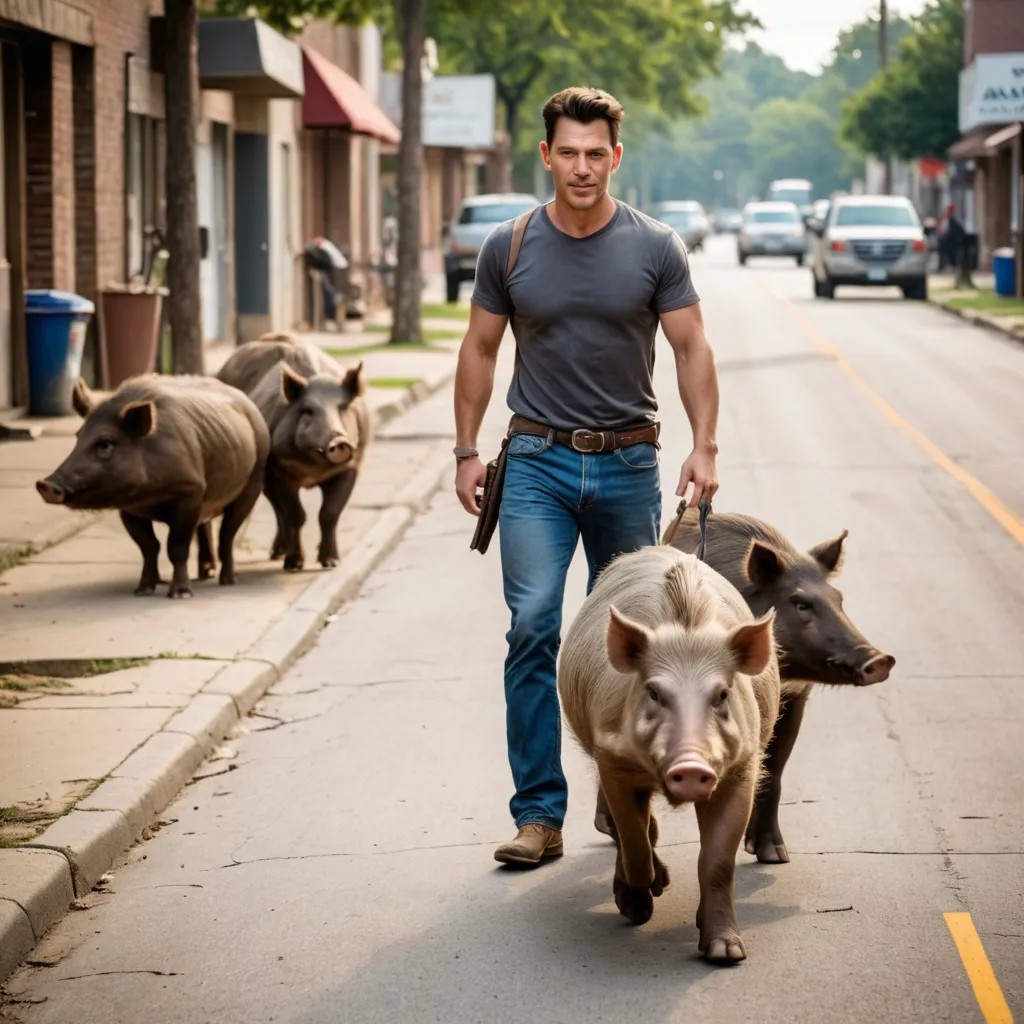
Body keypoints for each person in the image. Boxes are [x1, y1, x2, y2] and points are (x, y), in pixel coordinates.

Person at [452, 86, 720, 867]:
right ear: (545, 155)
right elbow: (478, 349)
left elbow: (692, 347)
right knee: (533, 626)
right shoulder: (509, 245)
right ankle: (538, 815)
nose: (580, 167)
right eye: (566, 152)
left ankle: (622, 787)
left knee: (633, 644)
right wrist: (466, 450)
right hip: (535, 461)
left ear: (615, 156)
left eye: (594, 153)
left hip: (630, 464)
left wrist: (705, 445)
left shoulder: (655, 246)